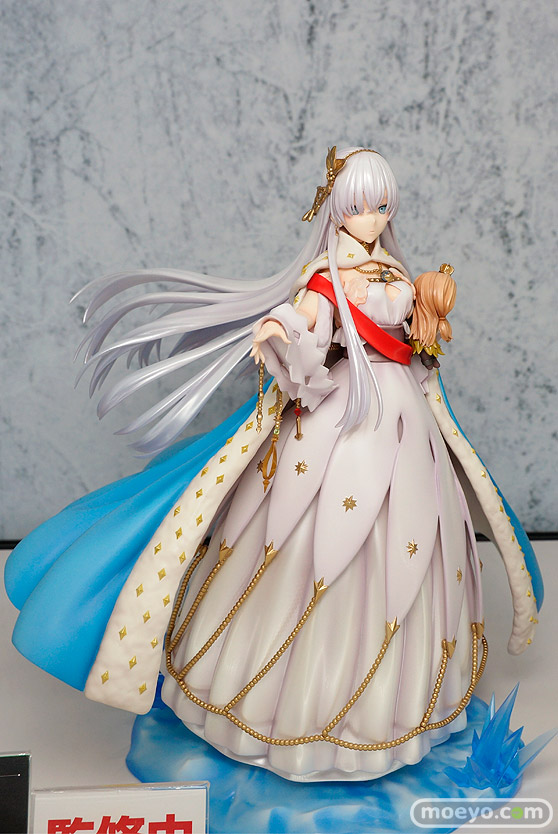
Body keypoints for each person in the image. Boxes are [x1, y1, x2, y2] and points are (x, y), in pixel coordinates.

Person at [5, 146, 542, 782]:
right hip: (341, 419)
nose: (373, 218)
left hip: (404, 421)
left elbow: (414, 341)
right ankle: (282, 709)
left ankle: (393, 710)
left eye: (382, 205)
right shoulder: (326, 278)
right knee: (310, 539)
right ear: (336, 209)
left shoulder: (394, 270)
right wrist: (283, 333)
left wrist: (429, 310)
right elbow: (308, 329)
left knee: (411, 539)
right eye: (361, 206)